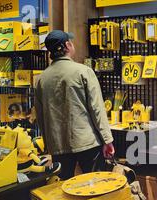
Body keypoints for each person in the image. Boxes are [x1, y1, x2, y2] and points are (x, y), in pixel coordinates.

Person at [35, 30, 115, 180]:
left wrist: (48, 145)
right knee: (95, 185)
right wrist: (107, 140)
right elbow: (97, 109)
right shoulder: (83, 71)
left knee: (65, 188)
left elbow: (40, 116)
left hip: (58, 145)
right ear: (67, 45)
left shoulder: (41, 79)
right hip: (87, 141)